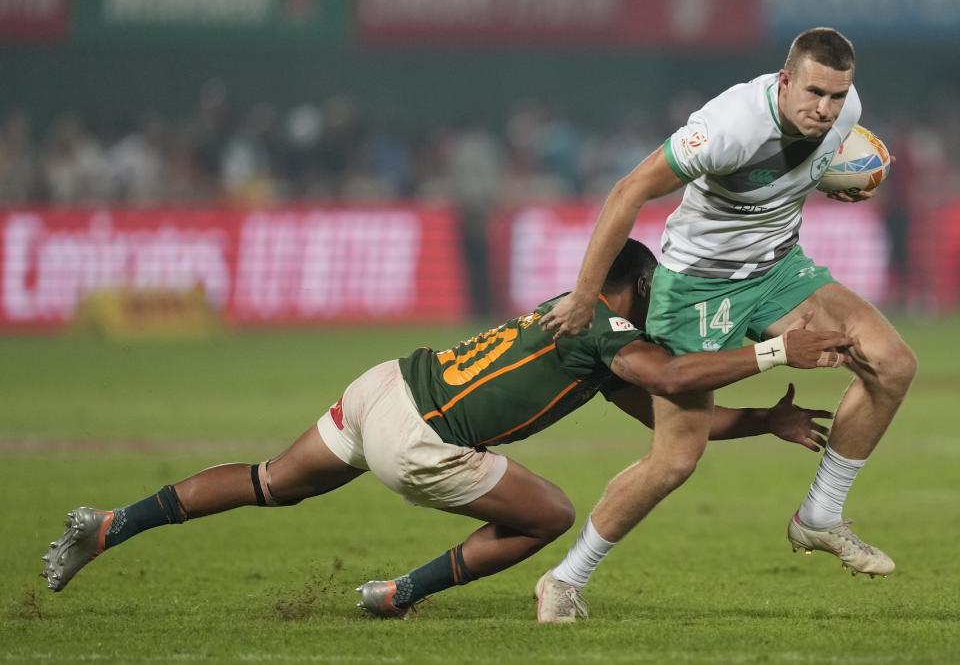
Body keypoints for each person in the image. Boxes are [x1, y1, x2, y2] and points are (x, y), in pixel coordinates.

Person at [41, 240, 851, 619]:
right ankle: (401, 594)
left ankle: (110, 525)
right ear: (637, 285)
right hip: (422, 438)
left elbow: (670, 419)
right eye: (656, 291)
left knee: (266, 481)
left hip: (383, 386)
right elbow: (672, 379)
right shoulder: (608, 333)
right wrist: (776, 350)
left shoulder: (578, 332)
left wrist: (766, 419)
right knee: (553, 517)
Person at [536, 28, 917, 622]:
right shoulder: (727, 126)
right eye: (814, 92)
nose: (826, 109)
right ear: (785, 80)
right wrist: (585, 296)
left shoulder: (847, 113)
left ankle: (819, 515)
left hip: (778, 270)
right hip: (698, 288)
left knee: (892, 363)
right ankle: (564, 578)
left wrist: (830, 181)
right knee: (675, 460)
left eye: (837, 97)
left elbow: (797, 172)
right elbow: (626, 192)